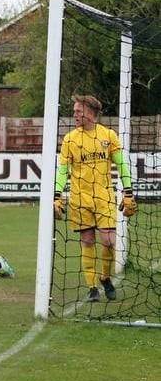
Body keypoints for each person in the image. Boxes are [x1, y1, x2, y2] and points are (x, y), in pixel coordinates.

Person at [54, 94, 137, 303]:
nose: (74, 115)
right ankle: (92, 288)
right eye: (74, 111)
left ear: (90, 114)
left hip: (104, 197)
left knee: (109, 242)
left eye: (78, 111)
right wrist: (57, 195)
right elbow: (62, 171)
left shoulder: (108, 135)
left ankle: (105, 277)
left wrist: (128, 191)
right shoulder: (70, 139)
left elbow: (122, 165)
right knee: (87, 241)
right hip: (80, 199)